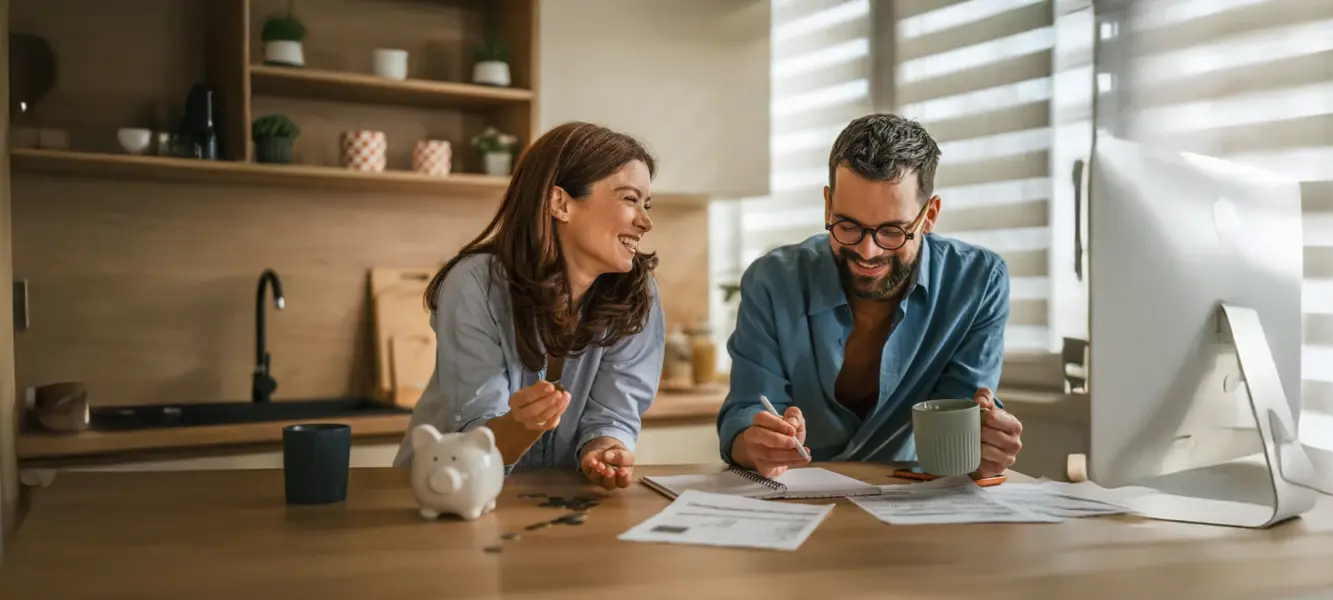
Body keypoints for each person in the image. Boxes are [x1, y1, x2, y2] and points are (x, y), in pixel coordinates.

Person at [717, 113, 1024, 478]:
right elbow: (746, 411)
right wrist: (755, 443)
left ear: (930, 215)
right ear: (828, 205)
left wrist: (984, 443)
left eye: (892, 231)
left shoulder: (978, 282)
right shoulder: (772, 281)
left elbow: (962, 417)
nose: (867, 252)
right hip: (793, 499)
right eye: (848, 226)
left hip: (912, 496)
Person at [392, 121, 666, 490]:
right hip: (444, 493)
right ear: (560, 203)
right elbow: (476, 437)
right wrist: (522, 425)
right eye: (630, 199)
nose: (645, 221)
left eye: (646, 204)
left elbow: (614, 415)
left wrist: (604, 448)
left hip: (559, 505)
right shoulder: (475, 284)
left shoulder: (636, 295)